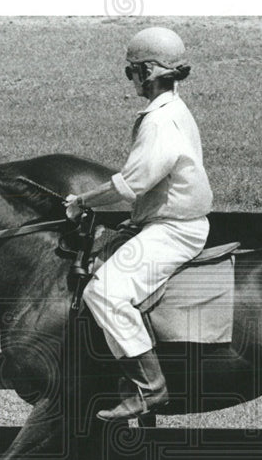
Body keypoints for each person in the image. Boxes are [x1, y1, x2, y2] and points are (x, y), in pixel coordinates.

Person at [65, 26, 213, 422]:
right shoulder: (173, 110)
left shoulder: (160, 122)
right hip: (163, 223)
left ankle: (150, 387)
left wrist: (82, 201)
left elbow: (131, 185)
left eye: (130, 71)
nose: (129, 79)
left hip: (174, 231)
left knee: (104, 292)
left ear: (146, 72)